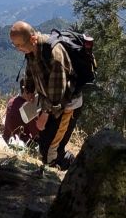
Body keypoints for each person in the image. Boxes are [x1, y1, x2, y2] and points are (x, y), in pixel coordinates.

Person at [9, 21, 82, 170]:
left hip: (67, 106)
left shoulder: (54, 54)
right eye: (14, 45)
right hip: (50, 103)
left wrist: (45, 114)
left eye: (19, 45)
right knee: (44, 146)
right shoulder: (31, 50)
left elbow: (58, 92)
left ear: (33, 39)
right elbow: (30, 70)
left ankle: (74, 171)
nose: (18, 49)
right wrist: (28, 89)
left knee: (50, 153)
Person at [2, 77, 40, 146]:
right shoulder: (28, 108)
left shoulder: (11, 101)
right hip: (20, 143)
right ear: (25, 90)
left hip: (7, 140)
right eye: (33, 90)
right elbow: (36, 134)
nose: (34, 93)